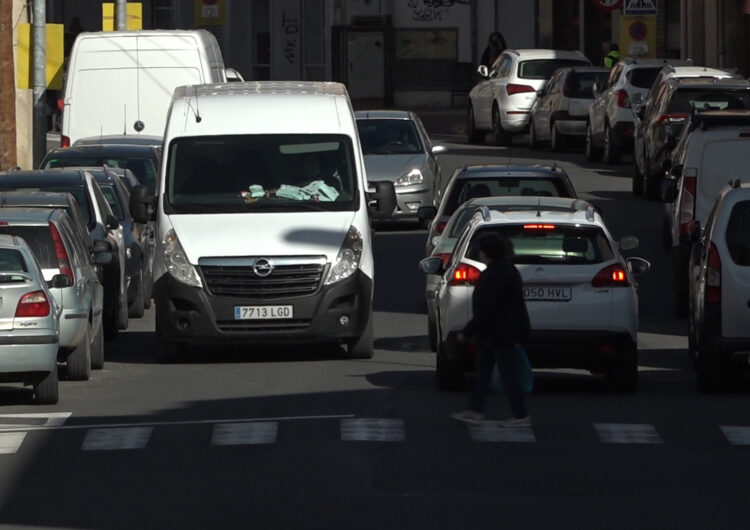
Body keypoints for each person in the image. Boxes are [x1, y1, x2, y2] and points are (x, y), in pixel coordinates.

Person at [451, 232, 532, 428]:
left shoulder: (494, 275)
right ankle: (475, 410)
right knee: (484, 371)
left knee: (508, 375)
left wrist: (467, 331)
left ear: (486, 253)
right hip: (497, 333)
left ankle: (520, 415)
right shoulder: (508, 270)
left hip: (500, 334)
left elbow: (488, 308)